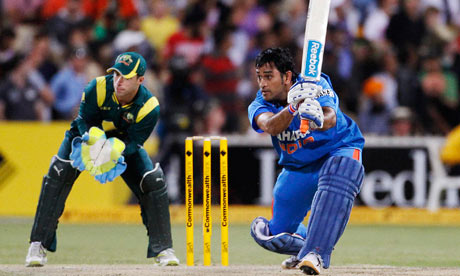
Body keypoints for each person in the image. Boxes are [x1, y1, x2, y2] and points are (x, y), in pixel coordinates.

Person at [25, 52, 179, 267]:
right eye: (116, 74)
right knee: (58, 172)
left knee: (153, 181)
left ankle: (163, 249)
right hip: (86, 138)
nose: (119, 81)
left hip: (121, 145)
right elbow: (82, 121)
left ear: (140, 80)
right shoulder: (96, 87)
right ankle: (37, 245)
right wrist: (93, 140)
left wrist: (116, 151)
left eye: (126, 76)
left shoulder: (149, 107)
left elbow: (136, 142)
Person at [248, 47, 365, 275]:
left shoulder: (316, 84)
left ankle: (316, 253)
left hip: (338, 149)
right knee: (272, 235)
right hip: (298, 167)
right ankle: (307, 247)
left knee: (341, 171)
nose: (262, 83)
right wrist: (295, 107)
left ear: (287, 76)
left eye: (269, 76)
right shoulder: (260, 103)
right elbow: (270, 126)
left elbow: (331, 118)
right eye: (259, 76)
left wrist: (317, 116)